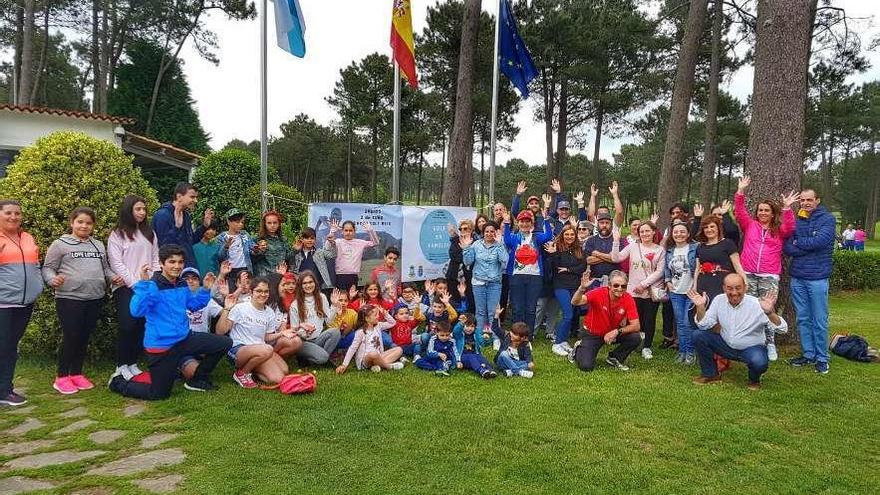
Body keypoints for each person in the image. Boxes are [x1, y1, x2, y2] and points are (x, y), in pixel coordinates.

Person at [108, 244, 232, 399]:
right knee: (158, 394)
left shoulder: (181, 283)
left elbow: (193, 306)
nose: (177, 266)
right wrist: (144, 285)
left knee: (224, 343)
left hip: (184, 339)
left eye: (180, 262)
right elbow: (136, 311)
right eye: (172, 262)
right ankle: (117, 382)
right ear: (161, 263)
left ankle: (197, 380)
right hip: (161, 346)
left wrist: (206, 289)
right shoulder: (152, 285)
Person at [43, 207, 122, 394]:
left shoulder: (98, 245)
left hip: (94, 298)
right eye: (80, 222)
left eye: (88, 223)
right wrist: (52, 279)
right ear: (72, 222)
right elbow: (47, 268)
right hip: (69, 298)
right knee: (71, 336)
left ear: (93, 225)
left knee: (84, 337)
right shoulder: (60, 244)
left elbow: (105, 269)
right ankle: (61, 376)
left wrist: (113, 277)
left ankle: (76, 374)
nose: (84, 226)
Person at [734, 176, 798, 361]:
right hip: (748, 274)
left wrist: (786, 208)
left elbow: (790, 227)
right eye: (760, 210)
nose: (762, 213)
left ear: (772, 213)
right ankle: (752, 341)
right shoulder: (750, 225)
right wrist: (740, 191)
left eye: (766, 210)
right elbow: (739, 212)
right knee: (749, 308)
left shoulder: (779, 230)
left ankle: (770, 343)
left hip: (769, 275)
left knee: (768, 308)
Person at [688, 274, 788, 390]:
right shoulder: (719, 300)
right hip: (726, 345)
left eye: (738, 288)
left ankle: (754, 380)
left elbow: (783, 329)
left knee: (759, 362)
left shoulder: (757, 304)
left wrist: (770, 313)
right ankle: (710, 375)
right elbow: (703, 324)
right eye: (730, 288)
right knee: (698, 336)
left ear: (745, 288)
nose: (734, 292)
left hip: (751, 349)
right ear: (724, 288)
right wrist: (700, 307)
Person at [107, 195, 161, 381]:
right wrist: (135, 283)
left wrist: (152, 280)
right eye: (138, 209)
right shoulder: (117, 234)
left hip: (147, 286)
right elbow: (116, 263)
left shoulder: (149, 233)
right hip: (126, 288)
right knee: (127, 325)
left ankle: (132, 363)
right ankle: (121, 365)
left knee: (140, 326)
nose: (142, 213)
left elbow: (155, 259)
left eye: (144, 209)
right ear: (128, 210)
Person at [784, 188, 836, 374]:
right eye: (803, 200)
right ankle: (808, 354)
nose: (806, 203)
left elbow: (821, 242)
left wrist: (800, 243)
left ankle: (822, 358)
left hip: (818, 278)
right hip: (798, 277)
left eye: (809, 200)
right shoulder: (798, 220)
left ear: (817, 200)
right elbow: (788, 247)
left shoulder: (827, 219)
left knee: (819, 319)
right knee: (803, 318)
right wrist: (805, 244)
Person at [216, 276, 299, 388]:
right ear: (251, 292)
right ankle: (242, 373)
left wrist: (282, 333)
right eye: (259, 291)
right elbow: (220, 332)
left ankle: (254, 368)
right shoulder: (240, 308)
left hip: (260, 349)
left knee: (282, 372)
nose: (263, 294)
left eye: (266, 291)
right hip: (238, 350)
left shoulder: (269, 312)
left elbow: (266, 337)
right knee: (267, 349)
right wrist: (226, 309)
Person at [0, 200, 43, 406]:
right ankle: (4, 391)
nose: (13, 217)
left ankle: (5, 389)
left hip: (24, 303)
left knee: (10, 346)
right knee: (4, 347)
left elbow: (35, 266)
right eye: (8, 213)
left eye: (17, 213)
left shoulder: (27, 237)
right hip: (3, 303)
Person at [611, 221, 665, 360]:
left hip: (650, 290)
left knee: (649, 319)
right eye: (642, 232)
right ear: (638, 233)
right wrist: (616, 241)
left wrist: (644, 284)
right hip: (633, 290)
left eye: (648, 231)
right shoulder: (633, 247)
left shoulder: (659, 250)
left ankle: (646, 346)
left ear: (654, 232)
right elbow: (616, 258)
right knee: (634, 318)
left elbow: (660, 271)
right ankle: (635, 342)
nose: (645, 234)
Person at [570, 270, 642, 372]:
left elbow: (636, 326)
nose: (620, 289)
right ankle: (578, 348)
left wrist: (617, 331)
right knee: (586, 366)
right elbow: (575, 302)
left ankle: (615, 358)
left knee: (635, 337)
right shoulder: (598, 293)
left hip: (612, 333)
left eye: (623, 286)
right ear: (609, 285)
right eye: (616, 285)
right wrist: (582, 288)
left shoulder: (628, 298)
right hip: (592, 333)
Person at [503, 204, 554, 338]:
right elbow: (507, 241)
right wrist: (507, 223)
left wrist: (546, 219)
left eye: (527, 221)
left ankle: (528, 336)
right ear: (518, 223)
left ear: (531, 224)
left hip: (535, 276)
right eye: (522, 221)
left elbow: (549, 235)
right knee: (518, 308)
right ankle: (516, 334)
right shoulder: (514, 237)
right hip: (516, 276)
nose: (525, 224)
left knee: (531, 308)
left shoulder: (537, 237)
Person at [461, 220, 508, 347]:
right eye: (487, 231)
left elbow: (505, 261)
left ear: (495, 233)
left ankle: (495, 337)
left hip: (494, 283)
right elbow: (467, 262)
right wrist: (466, 248)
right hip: (478, 283)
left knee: (493, 311)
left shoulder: (499, 245)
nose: (489, 233)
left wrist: (499, 244)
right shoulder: (476, 245)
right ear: (483, 233)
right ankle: (479, 336)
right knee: (480, 312)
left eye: (492, 231)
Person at [544, 224, 587, 357]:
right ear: (562, 235)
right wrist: (552, 255)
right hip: (561, 285)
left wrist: (569, 269)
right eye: (566, 234)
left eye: (572, 234)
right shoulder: (557, 249)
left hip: (575, 286)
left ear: (575, 236)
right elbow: (555, 267)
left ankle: (563, 340)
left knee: (572, 315)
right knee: (567, 314)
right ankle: (557, 343)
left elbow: (582, 266)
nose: (569, 237)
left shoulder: (579, 250)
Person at [152, 182, 214, 267]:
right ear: (179, 197)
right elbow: (164, 247)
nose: (196, 201)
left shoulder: (186, 215)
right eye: (192, 197)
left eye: (196, 197)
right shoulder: (162, 215)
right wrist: (176, 227)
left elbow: (190, 240)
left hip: (188, 268)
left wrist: (204, 226)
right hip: (174, 271)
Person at [180, 267, 225, 380]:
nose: (190, 281)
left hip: (201, 341)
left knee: (222, 343)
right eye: (186, 278)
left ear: (199, 282)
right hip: (183, 343)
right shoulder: (176, 299)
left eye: (194, 278)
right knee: (194, 374)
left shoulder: (208, 300)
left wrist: (228, 302)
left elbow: (223, 313)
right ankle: (179, 363)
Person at [663, 221, 698, 364]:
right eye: (676, 232)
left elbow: (698, 268)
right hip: (676, 292)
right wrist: (667, 281)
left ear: (688, 234)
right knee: (680, 323)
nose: (679, 234)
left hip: (690, 292)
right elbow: (666, 268)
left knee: (687, 322)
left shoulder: (695, 248)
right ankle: (682, 351)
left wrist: (696, 285)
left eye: (682, 231)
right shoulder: (670, 250)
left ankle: (690, 352)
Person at [289, 271, 341, 366]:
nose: (308, 285)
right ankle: (319, 357)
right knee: (323, 357)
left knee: (335, 332)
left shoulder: (321, 297)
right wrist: (305, 333)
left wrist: (333, 305)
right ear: (300, 285)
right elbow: (294, 329)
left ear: (315, 283)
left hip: (319, 338)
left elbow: (329, 322)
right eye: (304, 283)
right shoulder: (295, 304)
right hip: (303, 342)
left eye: (310, 282)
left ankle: (315, 358)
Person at [694, 215, 746, 308]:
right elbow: (697, 269)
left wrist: (744, 282)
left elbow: (737, 265)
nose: (709, 230)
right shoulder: (700, 247)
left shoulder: (728, 243)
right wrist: (694, 286)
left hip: (722, 283)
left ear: (718, 228)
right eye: (706, 227)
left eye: (712, 226)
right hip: (703, 283)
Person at [335, 304, 404, 374]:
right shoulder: (360, 332)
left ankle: (377, 366)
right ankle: (389, 366)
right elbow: (352, 348)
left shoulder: (378, 326)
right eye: (375, 315)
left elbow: (393, 323)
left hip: (379, 356)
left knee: (399, 349)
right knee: (373, 354)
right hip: (365, 360)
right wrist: (344, 364)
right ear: (367, 318)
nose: (378, 316)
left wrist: (385, 314)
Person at [217, 208, 256, 291]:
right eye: (237, 222)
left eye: (242, 222)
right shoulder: (221, 237)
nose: (240, 225)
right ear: (228, 222)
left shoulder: (245, 235)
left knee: (245, 293)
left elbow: (252, 250)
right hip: (229, 272)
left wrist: (258, 248)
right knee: (230, 293)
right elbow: (219, 257)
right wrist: (226, 246)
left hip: (245, 269)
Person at [334, 220, 379, 291]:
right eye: (346, 230)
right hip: (339, 275)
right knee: (341, 299)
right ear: (342, 231)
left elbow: (375, 243)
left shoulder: (360, 242)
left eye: (350, 230)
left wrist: (370, 231)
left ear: (354, 231)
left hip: (353, 276)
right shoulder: (338, 242)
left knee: (352, 299)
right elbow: (327, 247)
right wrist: (332, 232)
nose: (348, 233)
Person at [290, 227, 337, 295]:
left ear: (315, 240)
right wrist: (294, 251)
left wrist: (332, 243)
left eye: (312, 238)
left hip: (318, 287)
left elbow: (333, 255)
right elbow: (289, 263)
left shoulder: (320, 252)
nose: (309, 240)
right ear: (302, 239)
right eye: (307, 238)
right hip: (300, 287)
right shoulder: (297, 253)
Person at [452, 313, 498, 379]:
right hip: (462, 356)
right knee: (471, 357)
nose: (469, 328)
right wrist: (461, 323)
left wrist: (487, 339)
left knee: (481, 357)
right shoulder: (459, 335)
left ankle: (490, 370)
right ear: (463, 326)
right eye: (467, 326)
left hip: (475, 354)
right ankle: (481, 370)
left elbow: (483, 344)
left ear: (475, 327)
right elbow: (455, 331)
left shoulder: (476, 333)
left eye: (472, 326)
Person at [583, 212, 621, 288]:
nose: (604, 225)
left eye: (607, 223)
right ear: (597, 224)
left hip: (614, 282)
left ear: (611, 225)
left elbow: (617, 259)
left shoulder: (617, 239)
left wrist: (597, 253)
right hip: (595, 281)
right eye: (601, 223)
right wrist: (609, 256)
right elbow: (588, 260)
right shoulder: (591, 240)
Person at [252, 210, 293, 277]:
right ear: (264, 224)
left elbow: (287, 258)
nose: (272, 225)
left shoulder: (283, 239)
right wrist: (260, 251)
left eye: (275, 223)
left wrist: (295, 250)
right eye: (269, 223)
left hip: (280, 276)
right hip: (264, 278)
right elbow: (252, 260)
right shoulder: (257, 239)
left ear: (279, 224)